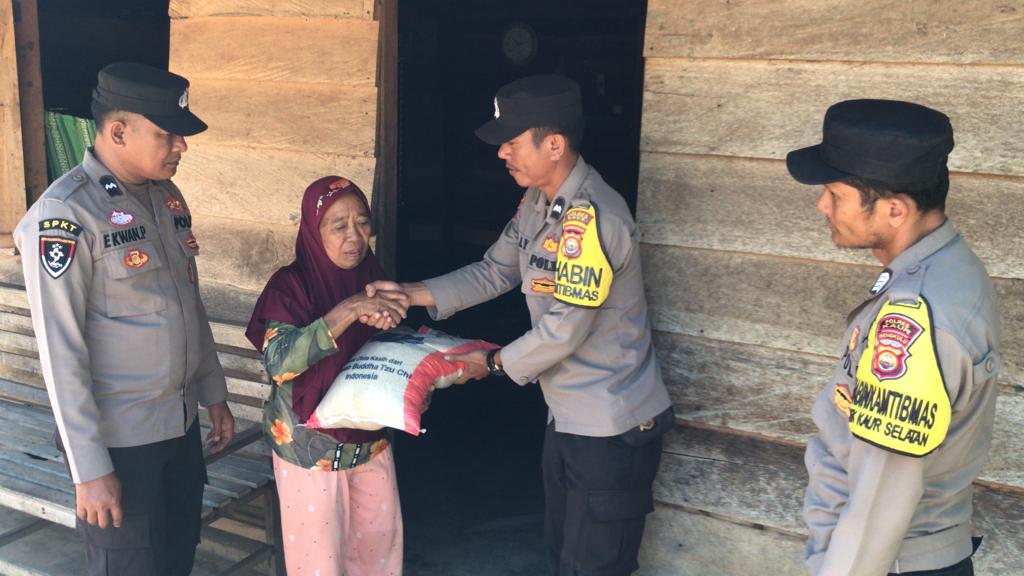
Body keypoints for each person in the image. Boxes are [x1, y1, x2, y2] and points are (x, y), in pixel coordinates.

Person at [369, 74, 673, 576]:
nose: (501, 152)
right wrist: (411, 293)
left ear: (554, 145)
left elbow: (565, 329)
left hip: (611, 425)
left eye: (512, 141)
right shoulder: (538, 203)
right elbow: (495, 271)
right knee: (562, 554)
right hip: (567, 416)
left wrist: (490, 364)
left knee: (594, 566)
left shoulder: (592, 217)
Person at [14, 62, 235, 575]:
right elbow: (60, 354)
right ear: (118, 132)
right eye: (167, 134)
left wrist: (213, 393)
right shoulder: (64, 216)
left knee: (176, 559)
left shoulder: (166, 198)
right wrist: (89, 469)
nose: (181, 145)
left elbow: (189, 304)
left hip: (179, 427)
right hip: (120, 445)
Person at [787, 99, 1000, 576]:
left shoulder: (917, 317)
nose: (823, 205)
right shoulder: (946, 269)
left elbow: (878, 503)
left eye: (835, 193)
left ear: (895, 210)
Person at [245, 175, 410, 576]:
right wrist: (349, 310)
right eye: (339, 226)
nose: (355, 236)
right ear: (313, 231)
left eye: (362, 222)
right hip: (310, 452)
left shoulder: (373, 275)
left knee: (378, 559)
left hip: (370, 445)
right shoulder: (291, 286)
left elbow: (385, 353)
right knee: (319, 565)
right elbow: (279, 362)